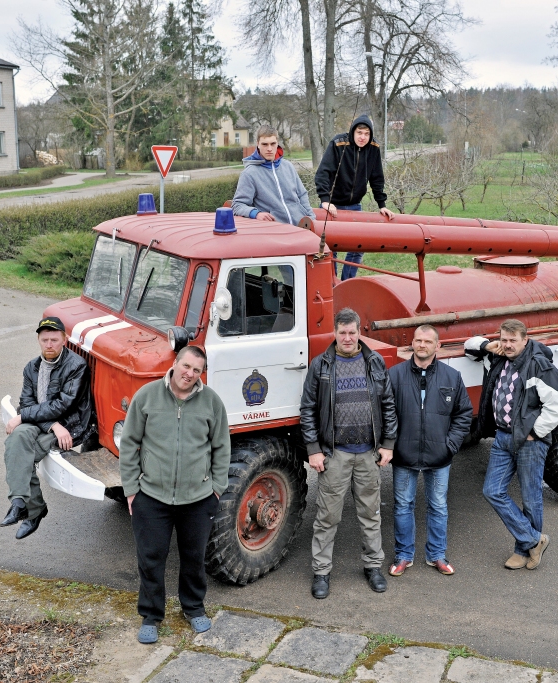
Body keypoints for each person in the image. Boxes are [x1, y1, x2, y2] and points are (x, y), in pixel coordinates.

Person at [118, 346, 230, 645]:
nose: (189, 374)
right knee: (151, 558)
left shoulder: (211, 403)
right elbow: (129, 443)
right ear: (175, 363)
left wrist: (216, 489)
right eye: (186, 366)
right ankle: (151, 615)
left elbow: (222, 448)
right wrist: (131, 489)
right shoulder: (147, 396)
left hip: (198, 498)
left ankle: (193, 608)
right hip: (152, 496)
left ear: (200, 374)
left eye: (196, 370)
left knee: (194, 558)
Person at [300, 307, 398, 599]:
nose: (346, 337)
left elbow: (388, 405)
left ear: (359, 332)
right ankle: (321, 572)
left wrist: (388, 444)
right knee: (327, 516)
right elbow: (307, 410)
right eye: (341, 332)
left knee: (371, 513)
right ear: (335, 333)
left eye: (351, 332)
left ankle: (373, 566)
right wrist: (314, 450)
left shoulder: (374, 362)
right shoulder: (321, 365)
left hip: (368, 453)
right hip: (335, 454)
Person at [465, 319, 558, 570]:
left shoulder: (539, 366)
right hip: (502, 437)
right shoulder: (498, 358)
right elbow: (469, 345)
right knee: (492, 490)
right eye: (504, 340)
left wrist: (535, 432)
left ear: (525, 340)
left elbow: (557, 406)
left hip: (529, 440)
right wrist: (489, 345)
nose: (508, 345)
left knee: (531, 498)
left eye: (513, 341)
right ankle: (534, 540)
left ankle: (523, 551)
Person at [387, 325, 473, 578]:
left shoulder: (452, 377)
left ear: (438, 346)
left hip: (440, 456)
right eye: (418, 340)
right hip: (404, 455)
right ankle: (404, 555)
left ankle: (437, 555)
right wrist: (392, 446)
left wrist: (450, 445)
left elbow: (463, 414)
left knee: (438, 506)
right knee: (403, 505)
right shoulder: (394, 375)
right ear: (412, 343)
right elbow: (385, 416)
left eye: (427, 341)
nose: (422, 345)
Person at [1, 317, 94, 540]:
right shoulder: (32, 368)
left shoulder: (76, 366)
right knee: (16, 440)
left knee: (22, 452)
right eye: (45, 340)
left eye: (54, 339)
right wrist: (48, 424)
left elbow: (62, 405)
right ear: (38, 340)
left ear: (64, 339)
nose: (49, 344)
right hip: (49, 424)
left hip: (69, 425)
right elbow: (27, 403)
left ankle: (31, 510)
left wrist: (24, 417)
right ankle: (20, 503)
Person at [313, 114, 395, 280]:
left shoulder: (374, 148)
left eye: (366, 134)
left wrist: (382, 204)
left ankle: (347, 282)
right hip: (333, 206)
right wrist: (325, 200)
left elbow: (377, 177)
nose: (363, 137)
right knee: (331, 248)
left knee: (358, 247)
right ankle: (332, 284)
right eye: (359, 133)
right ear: (353, 131)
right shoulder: (338, 143)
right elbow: (323, 173)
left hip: (355, 205)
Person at [231, 124, 315, 226]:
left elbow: (302, 195)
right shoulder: (249, 173)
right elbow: (238, 205)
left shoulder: (288, 166)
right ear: (258, 144)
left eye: (273, 143)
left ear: (277, 143)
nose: (269, 148)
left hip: (299, 227)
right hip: (274, 231)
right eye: (265, 144)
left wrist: (311, 219)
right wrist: (256, 214)